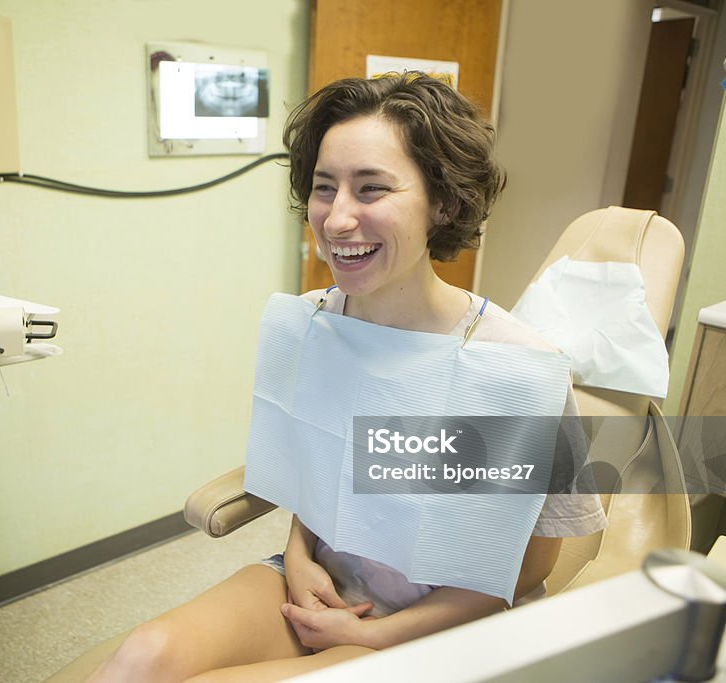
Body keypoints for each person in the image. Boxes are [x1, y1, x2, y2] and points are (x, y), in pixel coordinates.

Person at [84, 72, 606, 682]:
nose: (336, 220)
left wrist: (370, 634)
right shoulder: (313, 325)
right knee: (140, 660)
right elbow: (322, 470)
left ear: (444, 202)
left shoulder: (513, 371)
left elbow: (526, 569)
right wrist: (302, 557)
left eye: (372, 189)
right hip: (318, 582)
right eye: (325, 188)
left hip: (433, 628)